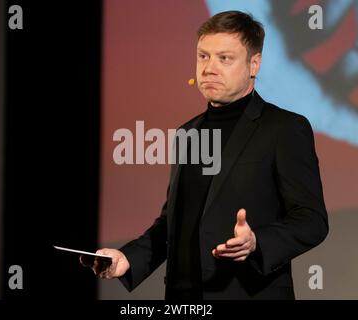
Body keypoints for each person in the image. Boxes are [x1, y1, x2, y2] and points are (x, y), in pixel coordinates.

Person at [82, 10, 329, 300]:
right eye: (203, 56)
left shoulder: (285, 128)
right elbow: (173, 224)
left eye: (224, 58)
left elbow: (311, 220)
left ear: (254, 64)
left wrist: (256, 242)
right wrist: (128, 259)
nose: (209, 68)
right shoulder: (187, 133)